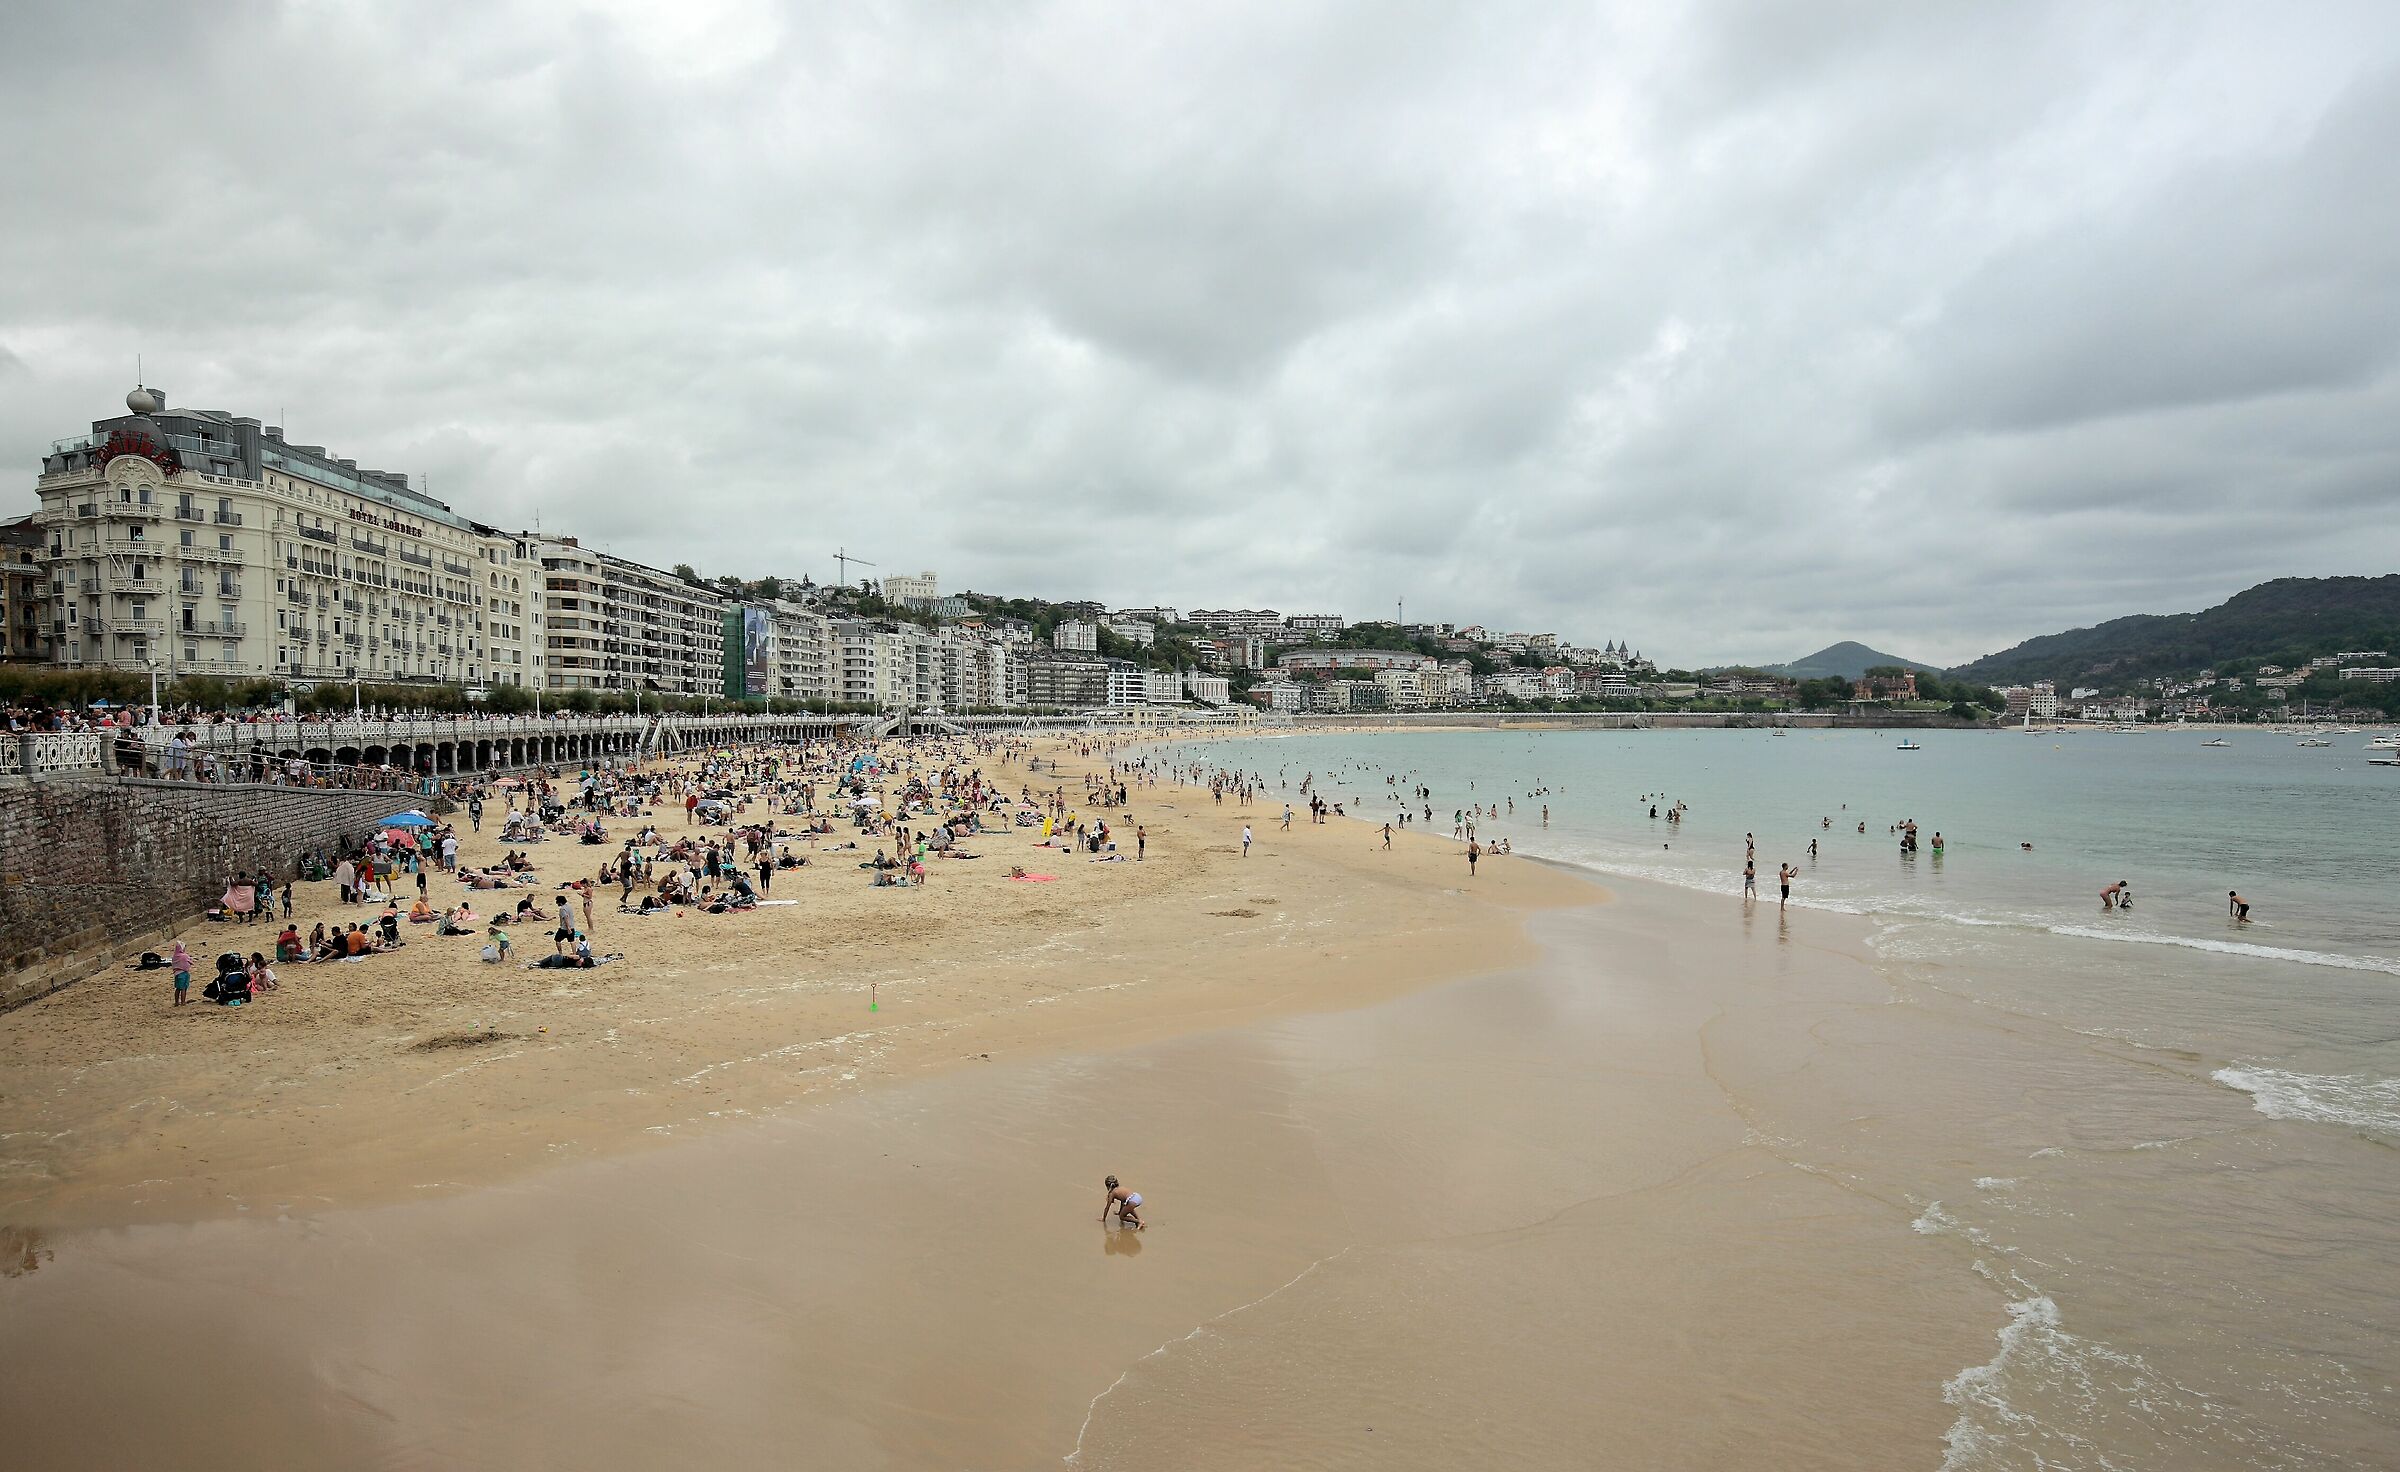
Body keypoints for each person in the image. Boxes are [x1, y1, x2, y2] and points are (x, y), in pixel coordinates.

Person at [170, 939, 193, 1007]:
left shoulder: (175, 956)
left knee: (177, 988)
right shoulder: (184, 956)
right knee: (183, 988)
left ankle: (176, 1002)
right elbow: (189, 962)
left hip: (177, 974)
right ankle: (183, 1002)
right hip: (183, 973)